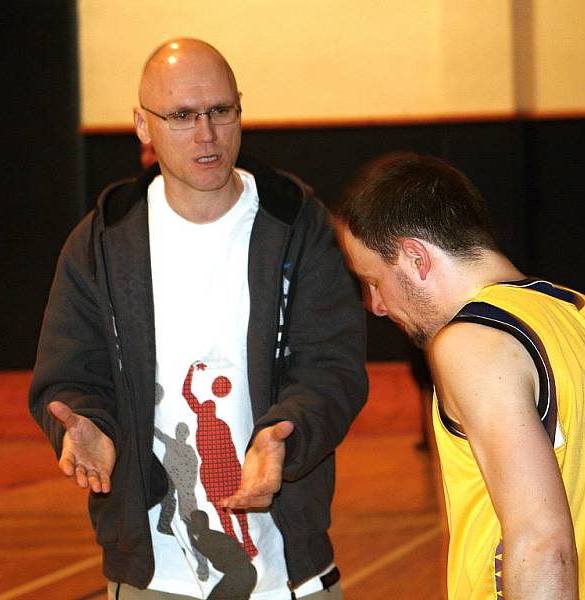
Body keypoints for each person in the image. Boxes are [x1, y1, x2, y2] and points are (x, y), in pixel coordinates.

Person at [29, 38, 367, 600]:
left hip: (289, 569)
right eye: (182, 116)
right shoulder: (102, 243)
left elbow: (333, 367)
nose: (207, 135)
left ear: (241, 109)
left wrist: (288, 434)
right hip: (152, 573)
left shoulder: (297, 226)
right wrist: (89, 427)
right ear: (143, 125)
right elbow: (68, 377)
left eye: (221, 111)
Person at [335, 152, 585, 599]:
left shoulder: (473, 340)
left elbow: (542, 543)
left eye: (374, 280)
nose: (375, 305)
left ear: (416, 257)